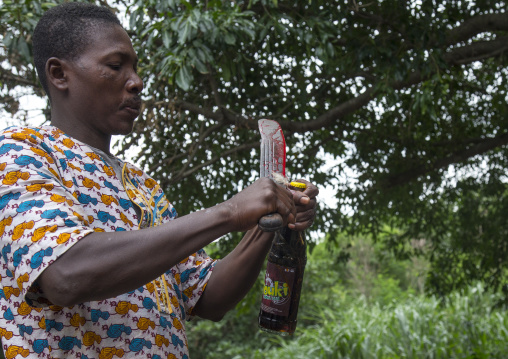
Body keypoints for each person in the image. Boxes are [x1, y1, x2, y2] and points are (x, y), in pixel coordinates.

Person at [0, 2, 318, 359]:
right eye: (116, 66)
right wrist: (229, 212)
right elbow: (65, 274)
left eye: (136, 68)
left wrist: (269, 218)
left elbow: (210, 297)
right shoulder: (21, 154)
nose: (136, 82)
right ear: (59, 74)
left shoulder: (143, 187)